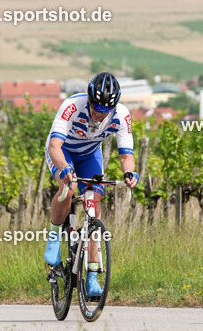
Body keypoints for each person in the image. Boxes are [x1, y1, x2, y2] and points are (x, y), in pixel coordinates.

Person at [44, 72, 138, 296]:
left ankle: (93, 276)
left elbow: (126, 156)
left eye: (105, 110)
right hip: (63, 150)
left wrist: (130, 173)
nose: (99, 114)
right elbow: (54, 146)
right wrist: (65, 170)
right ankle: (54, 238)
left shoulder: (122, 115)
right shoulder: (72, 106)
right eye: (95, 107)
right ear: (88, 99)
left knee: (94, 204)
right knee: (69, 188)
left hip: (89, 155)